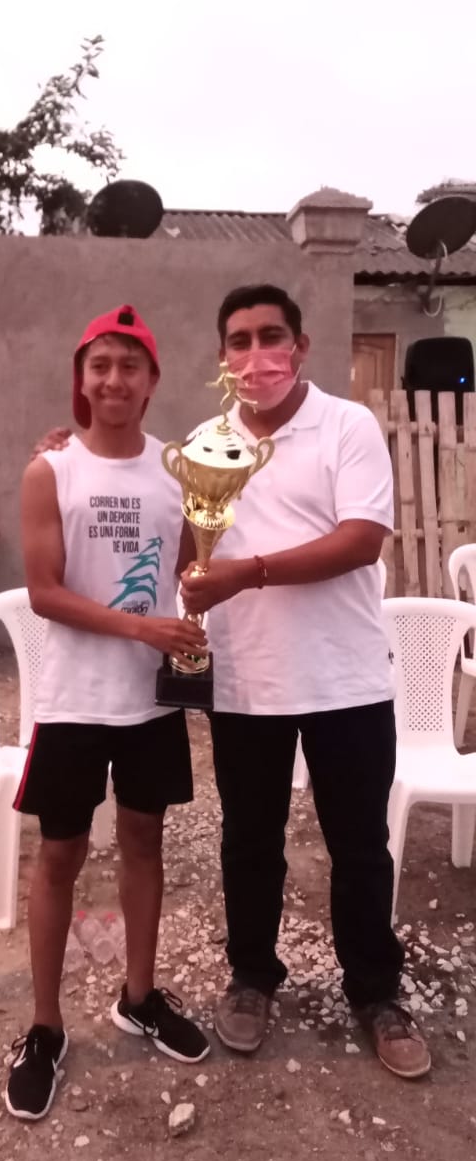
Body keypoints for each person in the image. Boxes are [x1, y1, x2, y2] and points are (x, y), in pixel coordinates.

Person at [177, 283, 430, 1079]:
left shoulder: (347, 427)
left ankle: (375, 991)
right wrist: (68, 457)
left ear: (301, 346)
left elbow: (360, 541)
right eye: (240, 340)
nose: (257, 355)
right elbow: (183, 538)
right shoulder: (207, 442)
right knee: (249, 842)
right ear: (223, 357)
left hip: (345, 679)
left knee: (359, 846)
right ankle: (252, 977)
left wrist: (244, 573)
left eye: (271, 336)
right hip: (247, 679)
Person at [7, 304, 209, 1123]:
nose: (114, 379)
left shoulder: (181, 471)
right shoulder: (50, 471)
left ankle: (139, 995)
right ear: (82, 379)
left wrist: (197, 599)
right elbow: (44, 593)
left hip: (150, 699)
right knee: (59, 854)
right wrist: (143, 627)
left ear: (152, 381)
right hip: (76, 699)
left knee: (144, 841)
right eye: (101, 365)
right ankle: (45, 1027)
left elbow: (191, 566)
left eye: (130, 365)